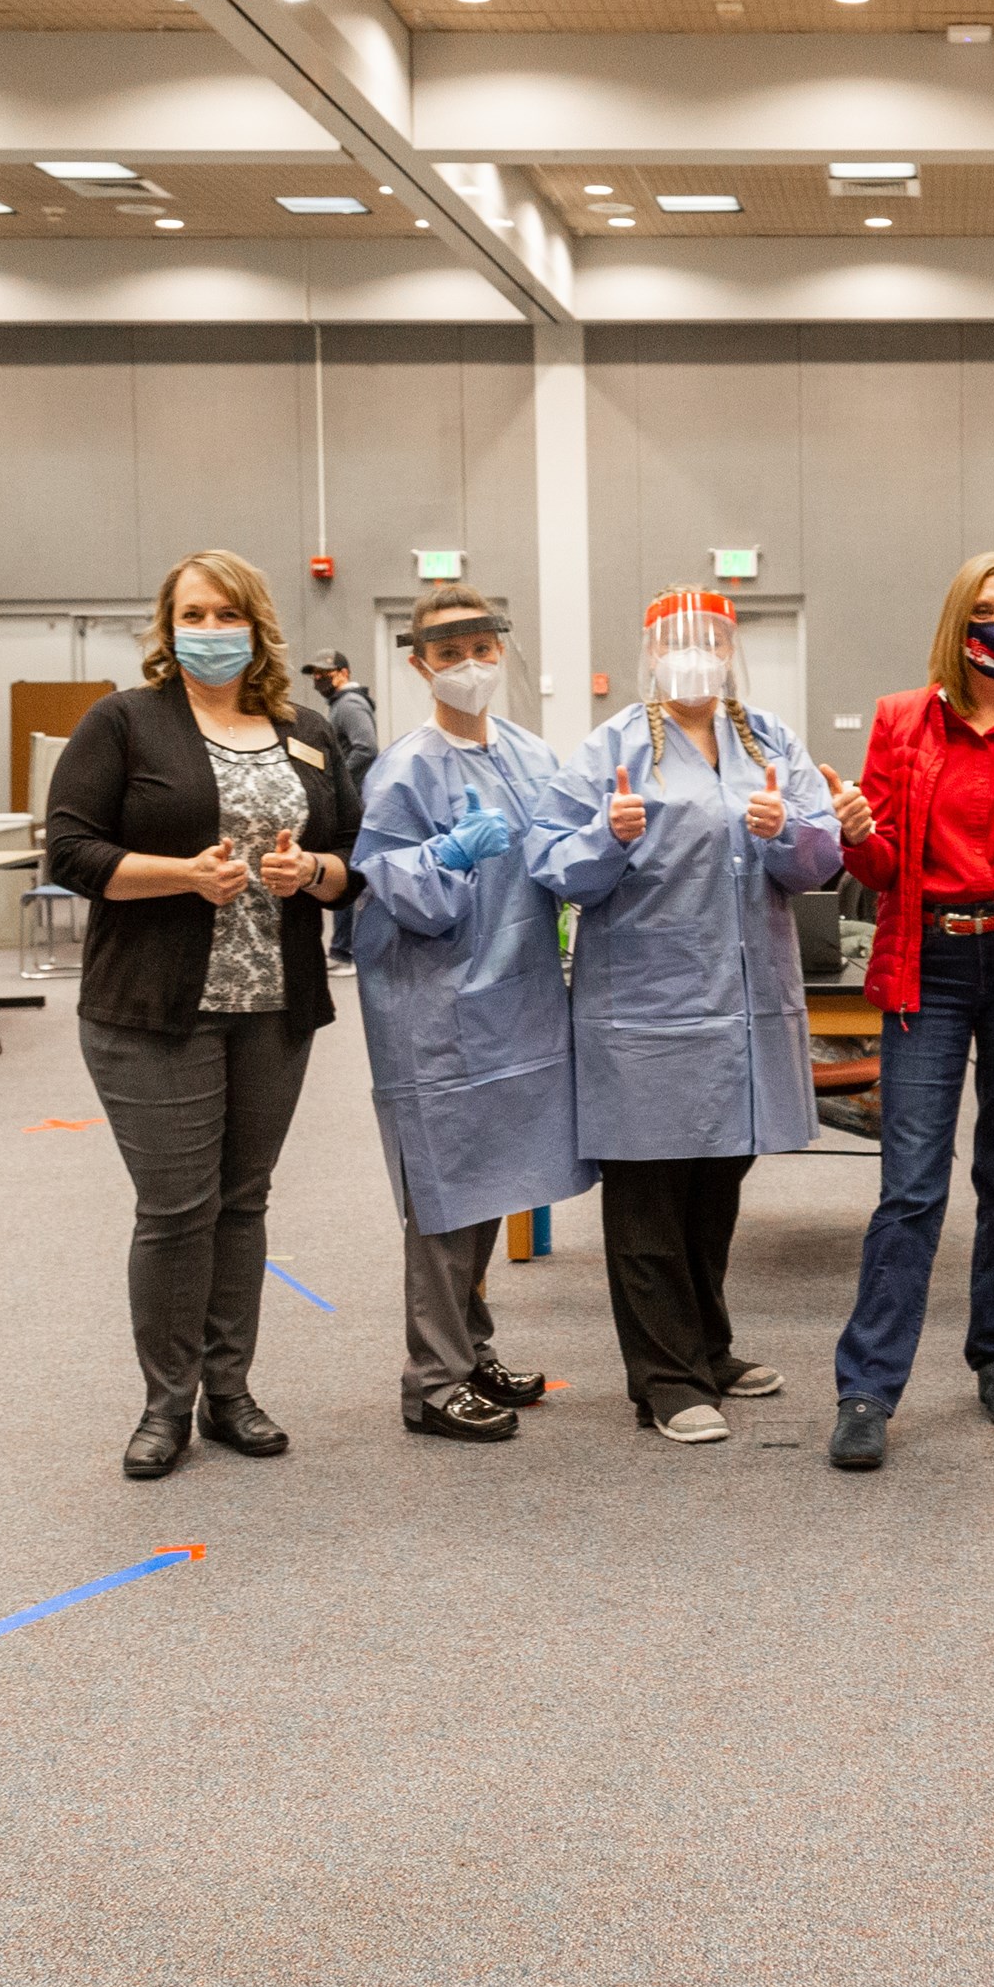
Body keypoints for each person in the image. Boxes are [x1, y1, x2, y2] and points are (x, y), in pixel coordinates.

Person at [43, 550, 363, 1480]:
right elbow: (67, 849)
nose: (210, 629)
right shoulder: (125, 723)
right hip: (153, 1009)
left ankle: (231, 1393)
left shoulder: (304, 730)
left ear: (257, 624)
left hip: (274, 1004)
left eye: (228, 613)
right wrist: (181, 875)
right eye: (194, 613)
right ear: (168, 623)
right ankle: (165, 1403)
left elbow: (350, 860)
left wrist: (312, 873)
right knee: (177, 1207)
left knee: (243, 1201)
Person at [529, 589, 844, 1442]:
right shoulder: (613, 746)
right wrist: (610, 833)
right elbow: (554, 862)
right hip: (644, 1010)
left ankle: (706, 1343)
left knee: (714, 1186)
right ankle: (664, 1379)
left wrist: (787, 831)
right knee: (648, 1196)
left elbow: (821, 859)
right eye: (678, 641)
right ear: (650, 652)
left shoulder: (767, 739)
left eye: (709, 639)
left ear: (731, 647)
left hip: (742, 1010)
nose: (694, 654)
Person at [819, 554, 994, 1473]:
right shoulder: (903, 720)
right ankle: (867, 1387)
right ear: (957, 620)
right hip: (926, 961)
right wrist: (858, 834)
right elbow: (883, 869)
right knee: (912, 1184)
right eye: (984, 611)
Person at [349, 588, 584, 1442]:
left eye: (482, 647)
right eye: (449, 654)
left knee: (491, 1182)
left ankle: (470, 1346)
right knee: (445, 1199)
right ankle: (433, 1379)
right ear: (420, 664)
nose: (470, 666)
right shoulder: (404, 768)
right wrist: (443, 857)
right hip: (435, 1009)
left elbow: (567, 852)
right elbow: (381, 895)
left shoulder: (530, 755)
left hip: (517, 1001)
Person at [307, 650, 380, 796]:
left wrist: (339, 781)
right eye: (315, 674)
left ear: (344, 673)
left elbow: (366, 748)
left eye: (324, 672)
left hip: (356, 795)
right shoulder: (339, 703)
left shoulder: (349, 704)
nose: (318, 677)